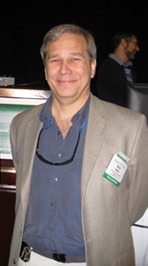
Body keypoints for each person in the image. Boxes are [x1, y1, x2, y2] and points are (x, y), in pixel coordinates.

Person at [8, 24, 148, 266]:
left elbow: (134, 205)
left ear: (92, 66)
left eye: (75, 58)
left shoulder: (130, 127)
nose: (64, 69)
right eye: (55, 60)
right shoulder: (21, 125)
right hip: (30, 259)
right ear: (45, 70)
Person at [97, 32, 140, 106]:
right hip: (112, 115)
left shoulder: (129, 69)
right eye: (135, 44)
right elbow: (124, 92)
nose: (137, 49)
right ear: (123, 42)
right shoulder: (109, 66)